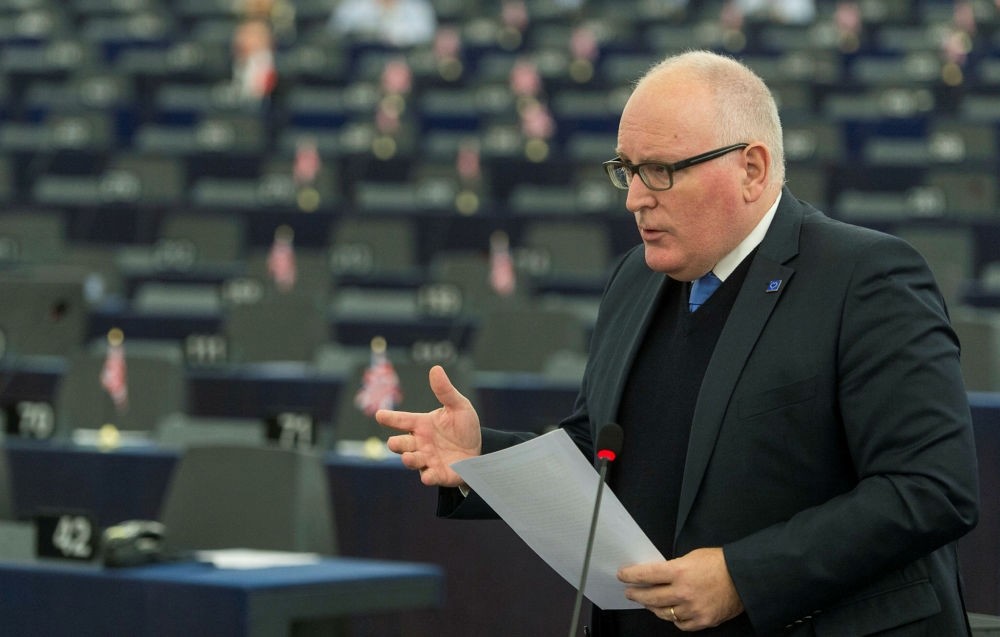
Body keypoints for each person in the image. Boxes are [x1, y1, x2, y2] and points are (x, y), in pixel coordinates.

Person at [376, 50, 980, 636]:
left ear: (752, 169)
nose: (637, 197)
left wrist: (743, 577)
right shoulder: (635, 279)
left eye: (661, 170)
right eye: (627, 170)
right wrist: (483, 460)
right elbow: (603, 450)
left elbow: (929, 489)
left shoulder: (867, 277)